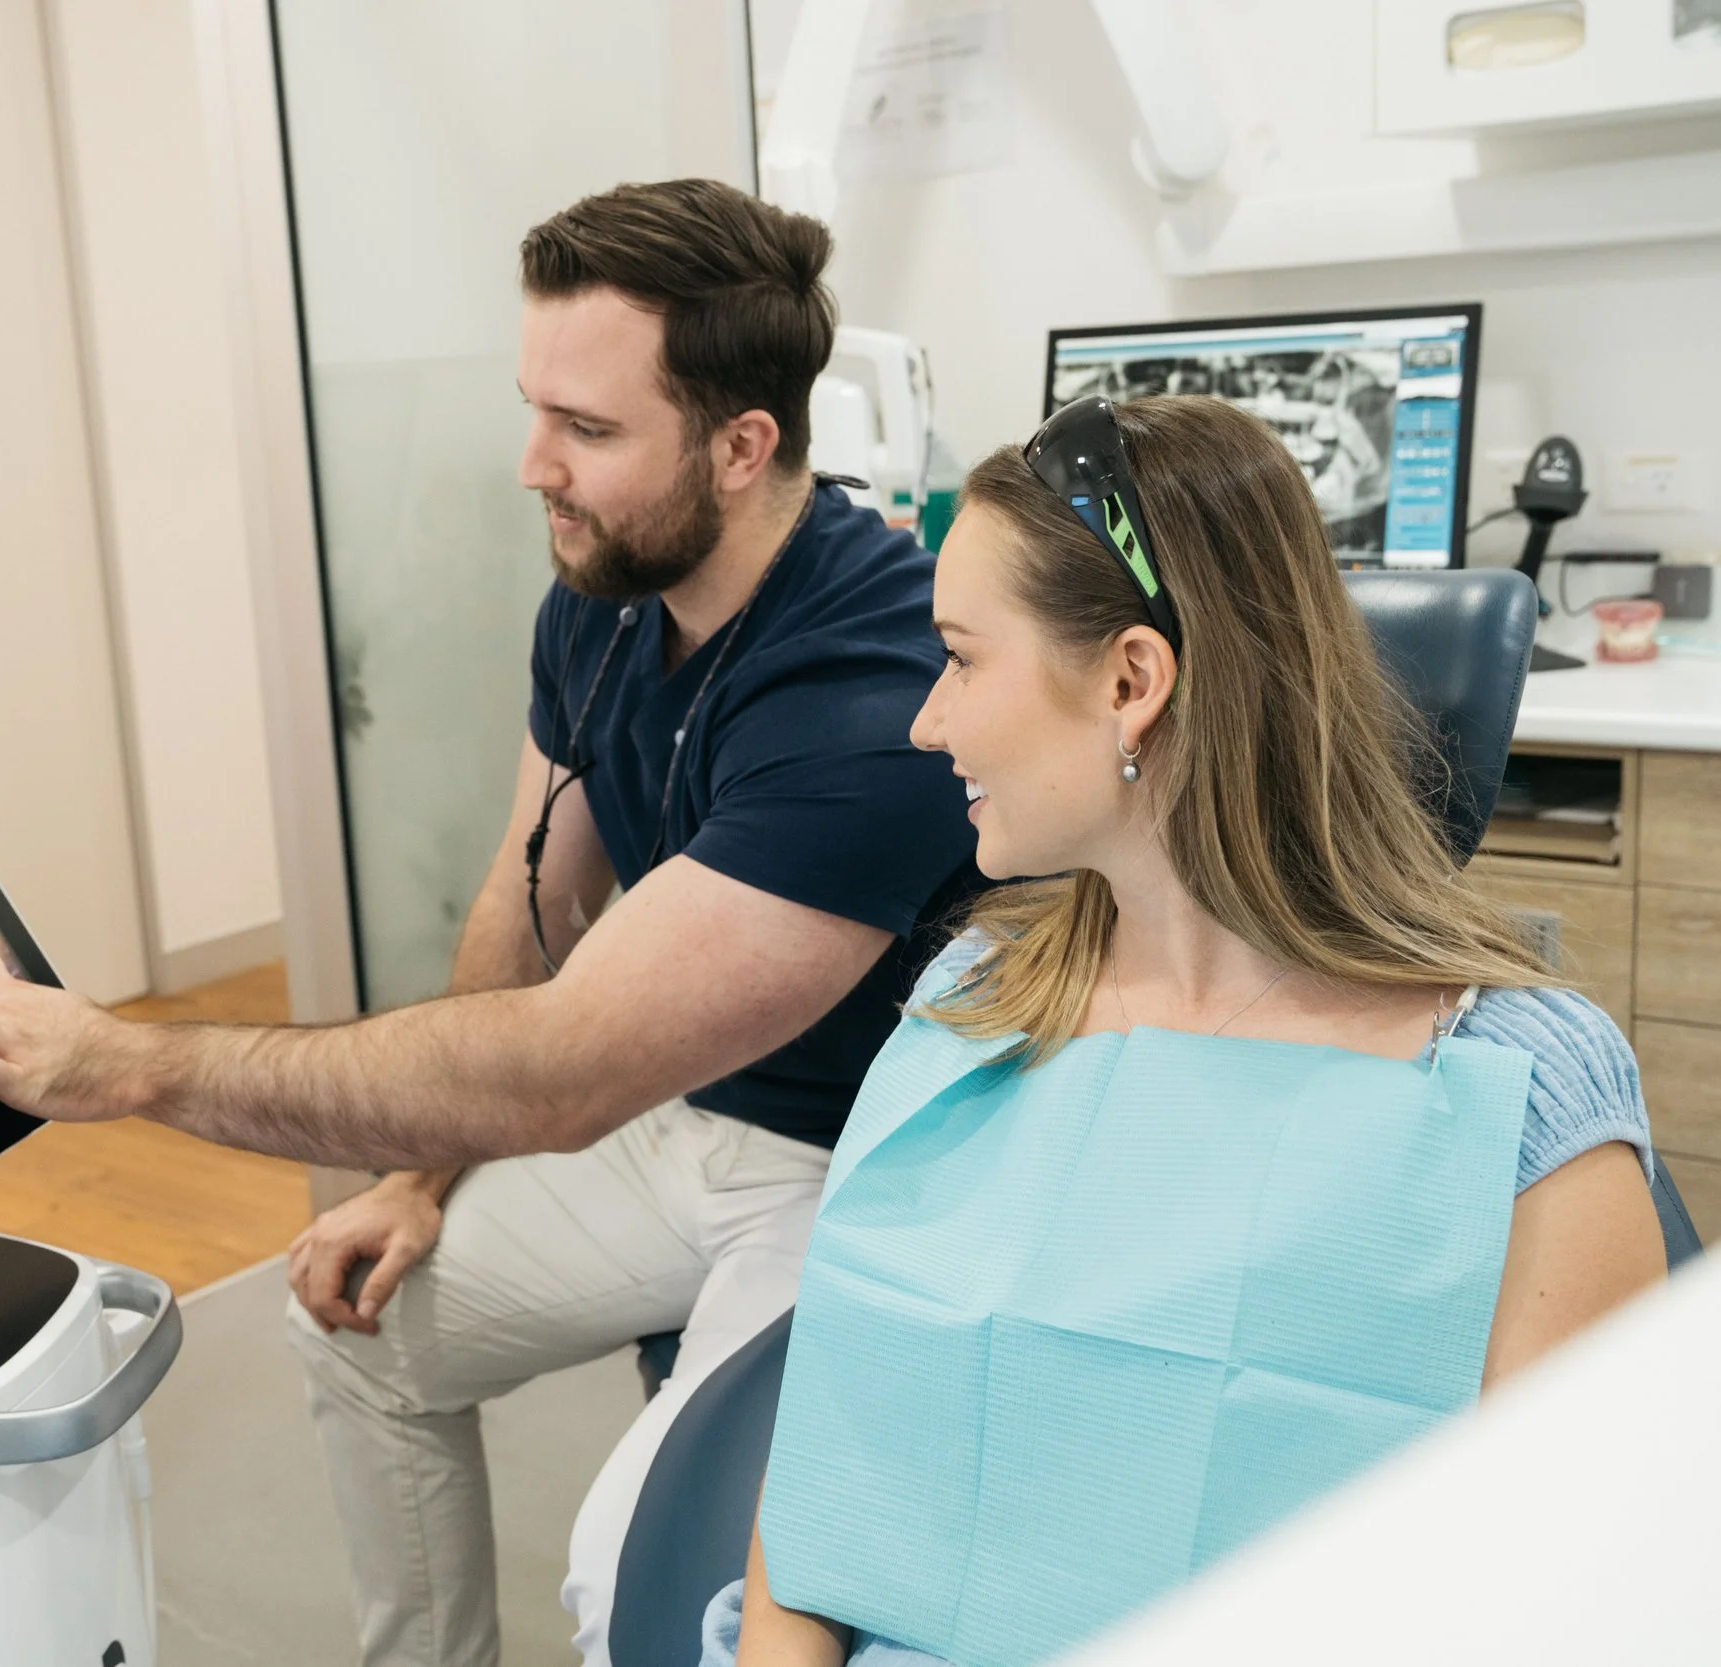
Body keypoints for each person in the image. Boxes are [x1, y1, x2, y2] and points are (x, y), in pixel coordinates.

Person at [0, 178, 979, 1667]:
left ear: (744, 444)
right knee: (354, 1320)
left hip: (858, 1169)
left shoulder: (870, 693)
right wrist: (416, 1178)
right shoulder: (609, 596)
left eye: (588, 429)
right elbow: (536, 891)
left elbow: (562, 1071)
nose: (533, 467)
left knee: (630, 1581)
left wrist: (129, 1060)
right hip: (680, 1120)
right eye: (534, 409)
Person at [706, 395, 1668, 1667]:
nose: (926, 722)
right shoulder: (970, 1005)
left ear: (1128, 678)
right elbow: (824, 1494)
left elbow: (1572, 1604)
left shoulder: (1515, 1092)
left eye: (959, 656)